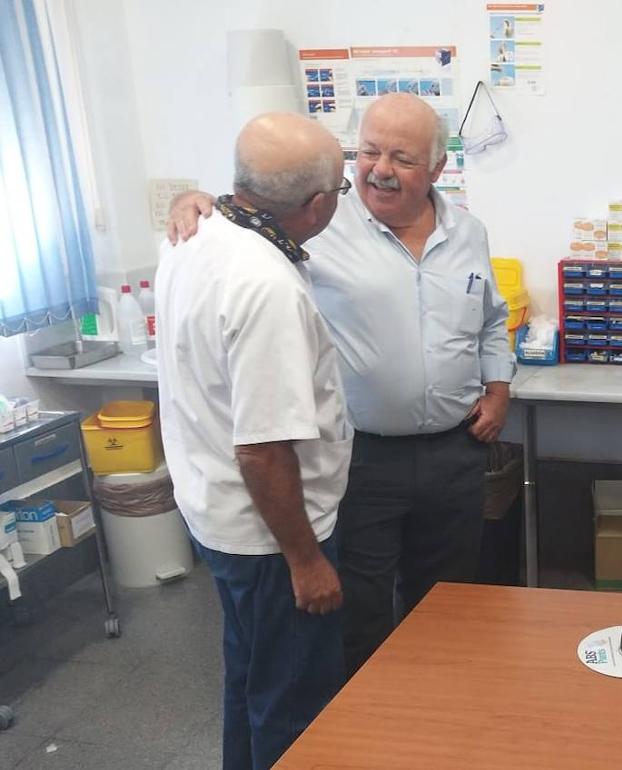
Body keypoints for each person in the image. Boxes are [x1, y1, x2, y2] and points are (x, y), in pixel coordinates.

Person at [168, 93, 515, 676]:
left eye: (401, 157)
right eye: (369, 151)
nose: (379, 168)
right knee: (359, 604)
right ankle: (369, 729)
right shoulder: (315, 221)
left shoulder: (469, 232)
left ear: (436, 168)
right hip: (362, 457)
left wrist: (499, 387)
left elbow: (492, 319)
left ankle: (446, 709)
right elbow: (250, 207)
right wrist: (191, 200)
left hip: (455, 451)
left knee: (451, 597)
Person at [155, 113, 352, 768]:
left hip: (219, 521)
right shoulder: (264, 285)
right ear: (317, 204)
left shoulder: (194, 231)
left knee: (249, 680)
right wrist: (306, 561)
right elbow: (263, 450)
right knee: (294, 701)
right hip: (271, 541)